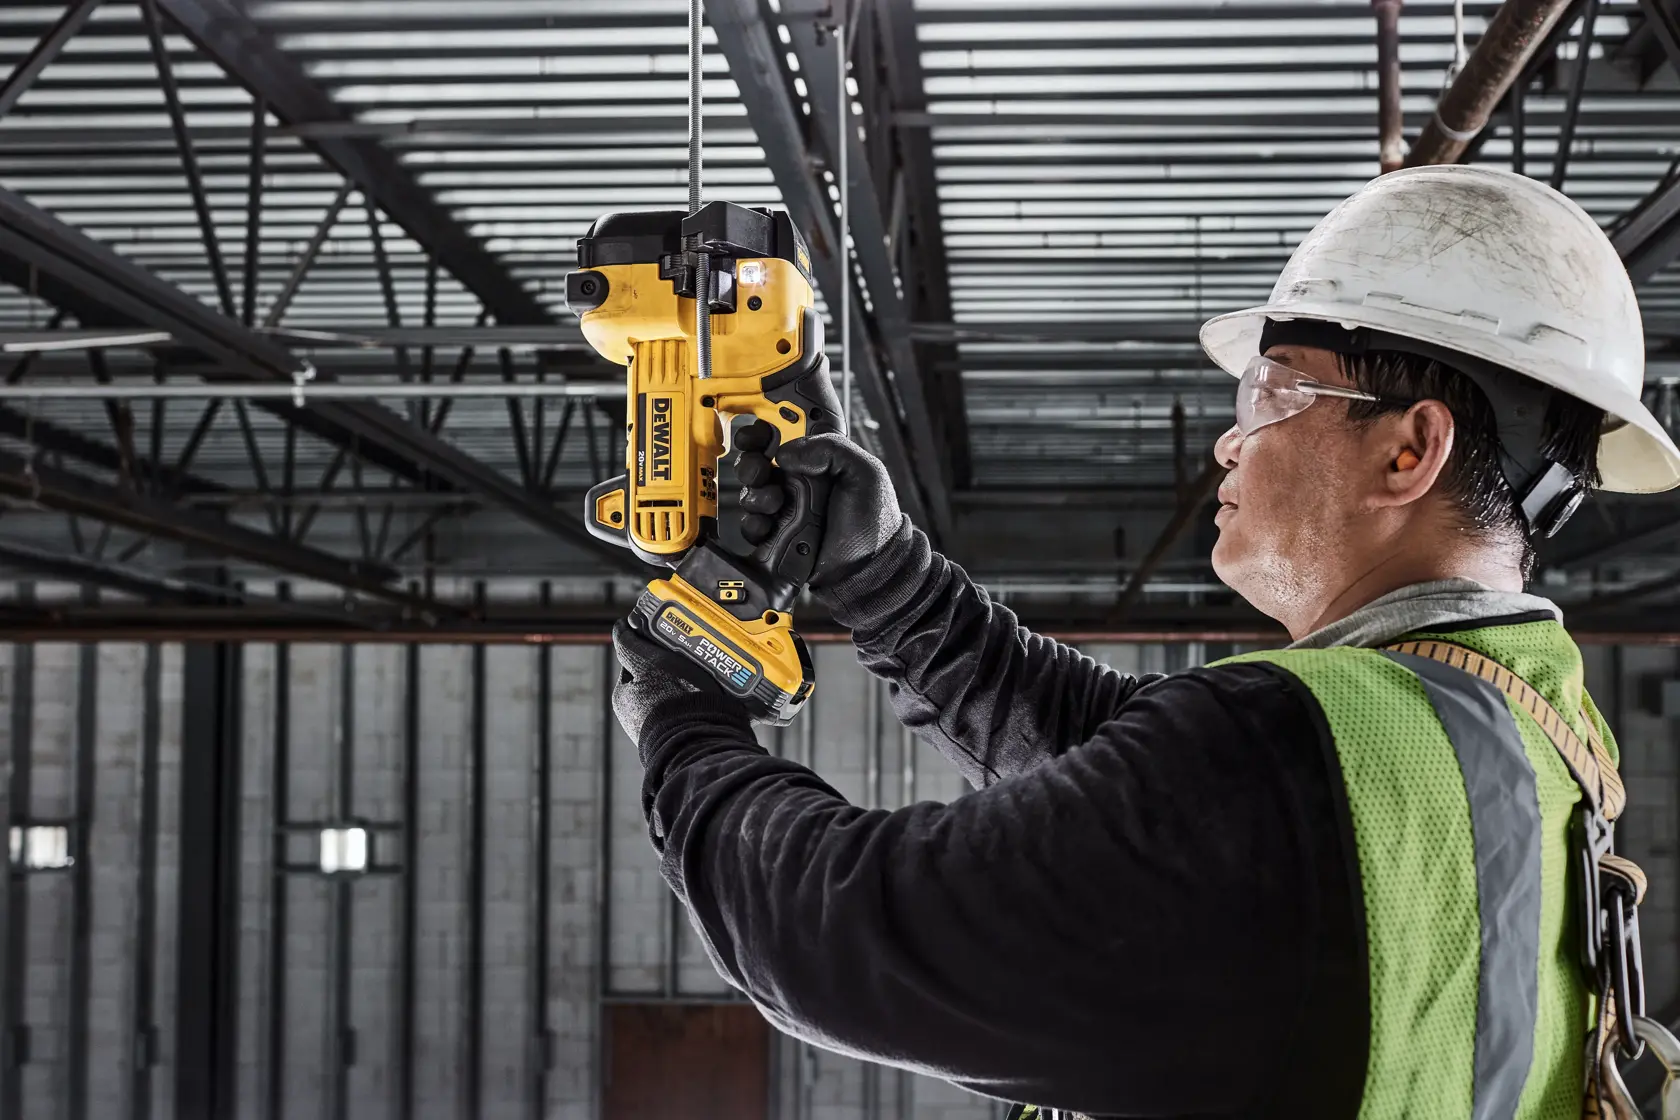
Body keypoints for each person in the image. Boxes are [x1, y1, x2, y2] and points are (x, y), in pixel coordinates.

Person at [609, 164, 1680, 1118]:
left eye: (1274, 389)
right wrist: (881, 572)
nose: (1230, 439)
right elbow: (1120, 759)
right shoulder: (1537, 746)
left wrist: (681, 718)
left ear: (1410, 450)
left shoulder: (1281, 752)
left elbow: (856, 936)